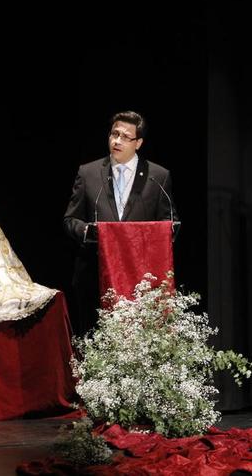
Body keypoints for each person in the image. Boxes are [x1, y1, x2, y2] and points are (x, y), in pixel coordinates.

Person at [63, 110, 178, 336]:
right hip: (94, 277)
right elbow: (70, 219)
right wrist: (88, 231)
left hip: (140, 279)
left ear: (139, 143)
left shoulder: (158, 176)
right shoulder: (88, 173)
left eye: (126, 137)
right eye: (114, 134)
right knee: (94, 343)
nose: (117, 141)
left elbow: (168, 222)